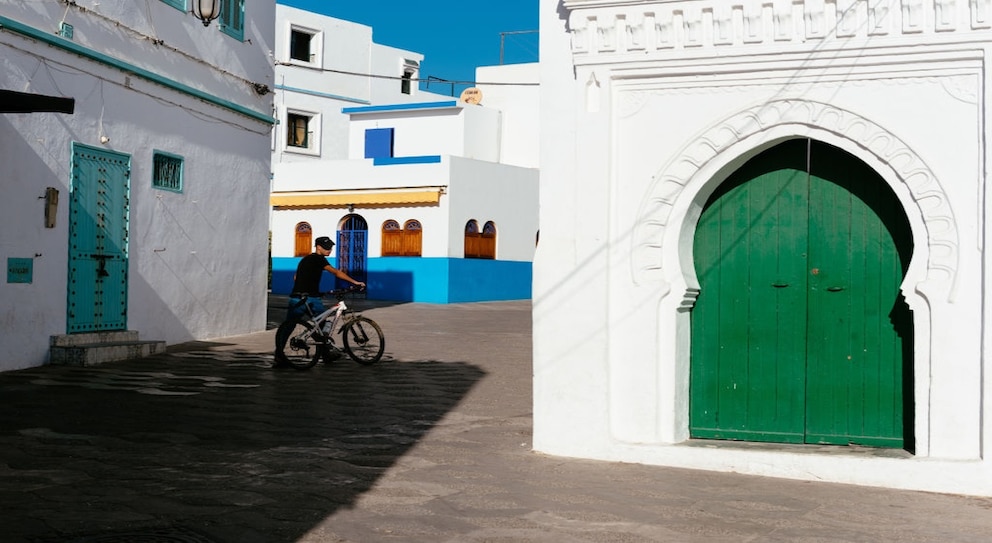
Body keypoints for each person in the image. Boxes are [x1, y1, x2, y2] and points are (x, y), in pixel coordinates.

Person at [274, 236, 366, 367]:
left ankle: (279, 355)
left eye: (331, 248)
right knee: (324, 324)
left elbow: (296, 277)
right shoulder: (319, 259)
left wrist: (307, 287)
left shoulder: (305, 259)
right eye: (327, 248)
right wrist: (355, 282)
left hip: (296, 297)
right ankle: (325, 353)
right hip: (310, 299)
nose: (330, 250)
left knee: (289, 326)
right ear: (318, 247)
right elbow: (335, 272)